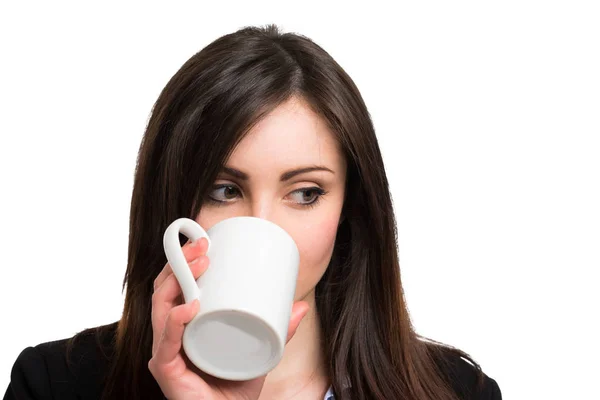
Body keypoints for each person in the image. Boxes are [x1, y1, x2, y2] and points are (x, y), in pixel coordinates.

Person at [4, 24, 501, 400]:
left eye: (305, 193)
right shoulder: (55, 385)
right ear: (171, 202)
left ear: (351, 209)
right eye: (223, 190)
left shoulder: (457, 392)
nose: (262, 225)